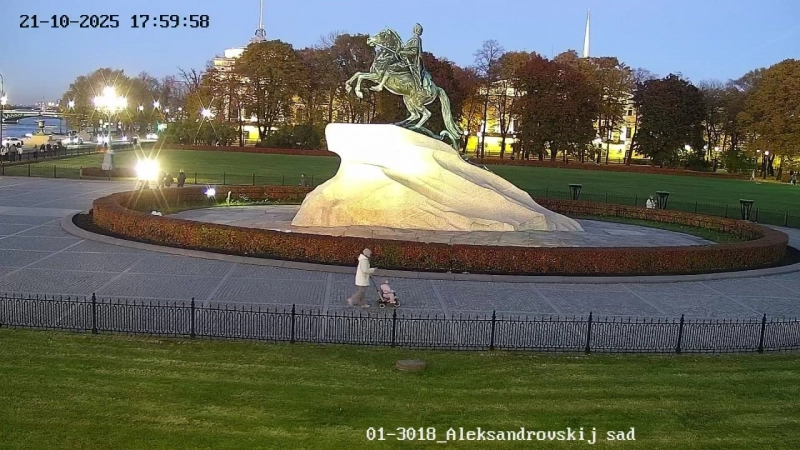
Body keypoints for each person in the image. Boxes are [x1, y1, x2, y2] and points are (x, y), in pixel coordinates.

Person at [373, 23, 426, 92]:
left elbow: (414, 52)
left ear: (416, 30)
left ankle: (380, 86)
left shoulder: (416, 39)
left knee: (390, 67)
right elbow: (407, 48)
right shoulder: (416, 39)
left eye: (415, 29)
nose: (414, 30)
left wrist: (402, 52)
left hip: (409, 62)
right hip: (407, 60)